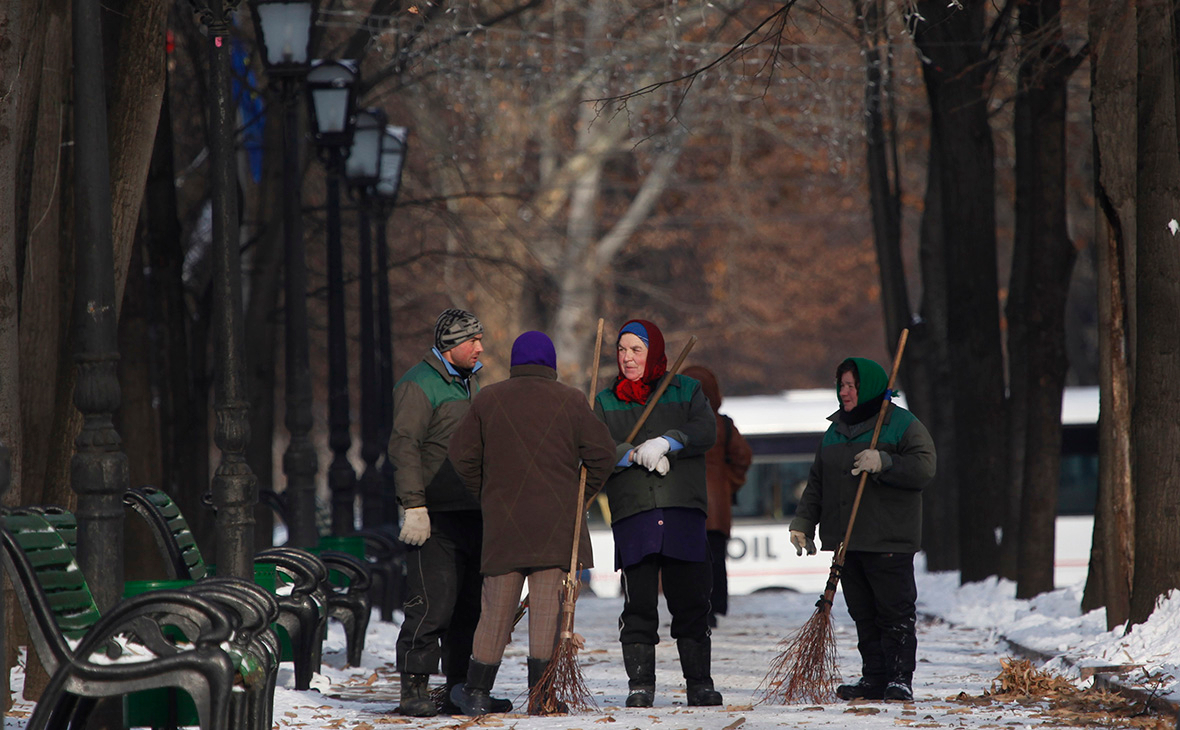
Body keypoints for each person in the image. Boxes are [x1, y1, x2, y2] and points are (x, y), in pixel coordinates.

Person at [445, 331, 617, 716]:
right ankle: (541, 697)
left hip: (503, 527)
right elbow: (603, 454)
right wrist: (579, 495)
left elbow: (461, 457)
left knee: (494, 612)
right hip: (556, 527)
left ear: (515, 363)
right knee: (546, 612)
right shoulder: (571, 400)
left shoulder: (488, 399)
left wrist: (486, 493)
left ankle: (475, 692)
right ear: (551, 365)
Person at [788, 356, 936, 702]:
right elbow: (818, 482)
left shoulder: (901, 424)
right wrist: (803, 523)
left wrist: (885, 461)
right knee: (863, 613)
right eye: (841, 385)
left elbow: (924, 467)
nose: (844, 392)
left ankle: (900, 678)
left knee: (894, 611)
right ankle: (874, 676)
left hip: (888, 538)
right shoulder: (835, 429)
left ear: (867, 387)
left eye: (852, 386)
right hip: (848, 540)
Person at [592, 319, 722, 708]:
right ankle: (640, 685)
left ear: (655, 352)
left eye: (636, 350)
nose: (627, 358)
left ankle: (699, 683)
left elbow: (706, 430)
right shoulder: (606, 400)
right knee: (639, 605)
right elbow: (595, 449)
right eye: (622, 349)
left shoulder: (686, 391)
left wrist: (669, 441)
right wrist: (630, 455)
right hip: (635, 514)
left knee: (692, 602)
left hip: (682, 512)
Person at [388, 308, 510, 716]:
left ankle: (461, 687)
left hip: (473, 512)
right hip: (434, 516)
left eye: (479, 339)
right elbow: (404, 445)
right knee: (432, 604)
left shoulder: (469, 382)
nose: (480, 347)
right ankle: (414, 688)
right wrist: (413, 505)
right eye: (472, 340)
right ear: (449, 345)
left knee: (469, 605)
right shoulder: (419, 385)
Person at [681, 365, 753, 629]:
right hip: (717, 508)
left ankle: (692, 609)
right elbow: (743, 458)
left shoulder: (679, 424)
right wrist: (726, 484)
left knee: (687, 560)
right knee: (714, 560)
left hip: (685, 504)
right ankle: (713, 608)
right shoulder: (723, 424)